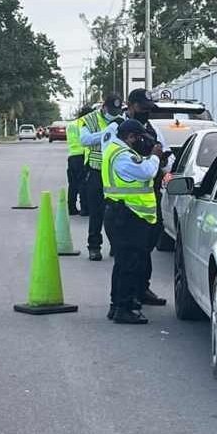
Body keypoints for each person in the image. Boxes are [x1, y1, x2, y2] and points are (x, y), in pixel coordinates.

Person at [101, 119, 162, 324]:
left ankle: (117, 305)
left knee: (123, 263)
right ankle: (123, 308)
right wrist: (155, 156)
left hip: (123, 214)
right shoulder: (122, 155)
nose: (143, 142)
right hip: (127, 215)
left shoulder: (116, 149)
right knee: (129, 264)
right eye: (140, 138)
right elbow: (146, 172)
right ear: (131, 137)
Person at [124, 89, 175, 306]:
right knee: (130, 253)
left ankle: (142, 289)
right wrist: (153, 159)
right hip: (125, 202)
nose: (146, 112)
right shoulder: (118, 129)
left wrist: (163, 161)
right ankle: (127, 297)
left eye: (148, 108)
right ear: (130, 105)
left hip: (149, 198)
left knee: (146, 246)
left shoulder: (151, 129)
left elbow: (167, 156)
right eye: (142, 107)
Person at [79, 95, 124, 261]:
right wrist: (109, 131)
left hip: (116, 173)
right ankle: (94, 247)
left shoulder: (122, 119)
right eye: (112, 110)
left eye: (117, 111)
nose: (115, 114)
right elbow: (85, 140)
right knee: (96, 212)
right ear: (104, 107)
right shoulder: (90, 120)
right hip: (96, 172)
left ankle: (116, 245)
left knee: (116, 212)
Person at [66, 113, 88, 216]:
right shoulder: (84, 124)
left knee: (72, 184)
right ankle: (84, 208)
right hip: (82, 155)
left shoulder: (71, 125)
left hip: (72, 155)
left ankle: (71, 208)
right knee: (83, 183)